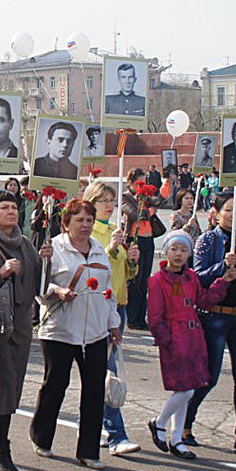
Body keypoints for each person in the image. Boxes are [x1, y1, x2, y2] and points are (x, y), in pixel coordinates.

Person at [30, 199, 120, 470]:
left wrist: (113, 323)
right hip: (60, 330)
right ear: (66, 223)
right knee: (56, 385)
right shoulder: (53, 248)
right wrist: (58, 291)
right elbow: (40, 289)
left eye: (89, 220)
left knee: (94, 390)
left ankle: (88, 451)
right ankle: (42, 436)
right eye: (79, 220)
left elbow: (108, 292)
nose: (85, 226)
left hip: (94, 332)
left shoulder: (99, 252)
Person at [184, 192, 236, 458]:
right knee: (209, 377)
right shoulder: (208, 240)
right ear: (216, 213)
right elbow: (196, 278)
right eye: (229, 210)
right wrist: (222, 267)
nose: (235, 215)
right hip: (215, 317)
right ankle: (183, 423)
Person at [0, 191, 49, 471]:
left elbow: (40, 284)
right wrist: (2, 272)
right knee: (2, 387)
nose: (10, 211)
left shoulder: (26, 244)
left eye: (13, 207)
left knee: (12, 386)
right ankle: (0, 449)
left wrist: (47, 260)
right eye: (3, 207)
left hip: (20, 325)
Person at [147, 230, 233, 460]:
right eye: (174, 249)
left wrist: (221, 283)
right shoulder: (157, 280)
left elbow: (203, 300)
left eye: (184, 250)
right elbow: (155, 316)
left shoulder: (191, 277)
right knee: (184, 389)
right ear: (166, 251)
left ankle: (176, 438)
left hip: (194, 338)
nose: (178, 254)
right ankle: (160, 422)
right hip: (175, 339)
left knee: (188, 389)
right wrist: (166, 339)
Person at [84, 181, 142, 456]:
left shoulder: (113, 231)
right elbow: (93, 271)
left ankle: (101, 428)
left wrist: (131, 260)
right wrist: (110, 251)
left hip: (118, 305)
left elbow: (124, 275)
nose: (109, 205)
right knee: (108, 372)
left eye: (111, 200)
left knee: (106, 372)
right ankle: (116, 433)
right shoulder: (90, 232)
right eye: (103, 200)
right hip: (98, 308)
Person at [122, 168, 162, 330]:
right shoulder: (126, 197)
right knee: (134, 280)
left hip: (148, 240)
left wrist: (168, 183)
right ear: (131, 183)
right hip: (134, 240)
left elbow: (159, 201)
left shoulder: (145, 197)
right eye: (140, 183)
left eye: (144, 182)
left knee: (145, 280)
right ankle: (131, 318)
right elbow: (134, 214)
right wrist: (149, 209)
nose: (143, 186)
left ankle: (141, 317)